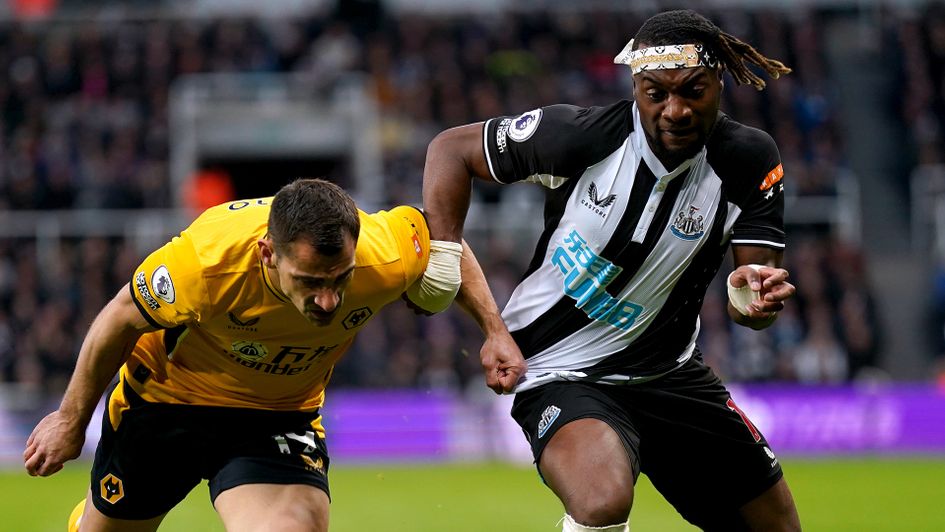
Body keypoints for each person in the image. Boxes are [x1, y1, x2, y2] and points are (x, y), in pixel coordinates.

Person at [421, 9, 801, 532]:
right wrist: (445, 263)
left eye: (694, 91)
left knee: (776, 527)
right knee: (602, 499)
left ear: (720, 82)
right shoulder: (579, 137)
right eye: (655, 93)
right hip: (559, 367)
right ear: (635, 88)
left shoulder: (750, 160)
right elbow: (450, 150)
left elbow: (753, 298)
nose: (676, 110)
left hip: (672, 374)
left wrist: (749, 299)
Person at [23, 178, 522, 532]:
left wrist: (494, 330)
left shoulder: (382, 252)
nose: (328, 300)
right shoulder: (204, 264)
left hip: (278, 417)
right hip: (167, 405)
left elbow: (443, 241)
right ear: (267, 254)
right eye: (309, 282)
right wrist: (71, 419)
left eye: (339, 279)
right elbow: (120, 317)